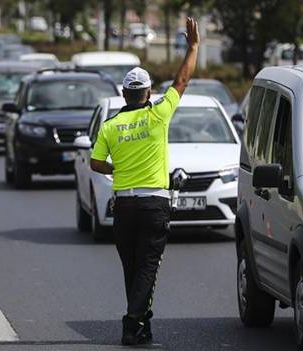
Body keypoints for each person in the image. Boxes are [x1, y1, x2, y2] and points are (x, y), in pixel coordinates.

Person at [89, 17, 200, 346]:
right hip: (154, 204)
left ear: (124, 94)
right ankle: (131, 323)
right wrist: (193, 46)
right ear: (149, 92)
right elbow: (181, 80)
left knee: (133, 268)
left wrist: (116, 169)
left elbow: (95, 163)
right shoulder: (158, 114)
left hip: (123, 204)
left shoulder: (111, 125)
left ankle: (142, 324)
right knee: (147, 268)